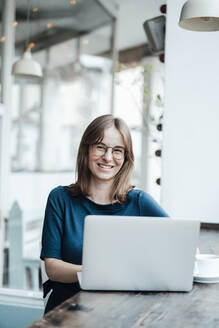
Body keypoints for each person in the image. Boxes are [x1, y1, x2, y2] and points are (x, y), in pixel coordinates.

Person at [40, 114, 168, 313]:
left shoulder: (140, 202)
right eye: (100, 147)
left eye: (117, 150)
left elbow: (179, 248)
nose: (108, 157)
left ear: (125, 158)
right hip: (67, 309)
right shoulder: (60, 198)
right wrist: (100, 273)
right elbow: (53, 268)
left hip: (123, 309)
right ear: (86, 150)